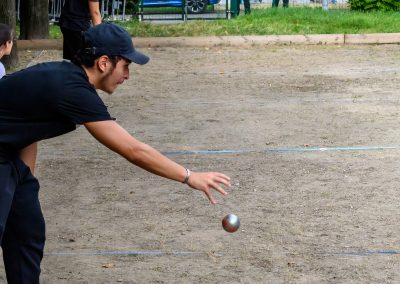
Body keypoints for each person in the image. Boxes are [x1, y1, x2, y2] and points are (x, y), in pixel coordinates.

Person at [0, 23, 231, 283]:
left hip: (8, 158)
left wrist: (23, 179)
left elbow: (26, 126)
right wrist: (189, 176)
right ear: (103, 63)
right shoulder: (71, 89)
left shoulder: (68, 81)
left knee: (27, 232)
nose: (127, 75)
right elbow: (133, 150)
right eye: (126, 66)